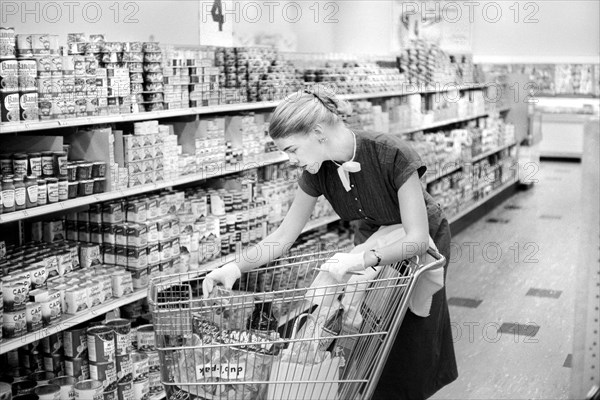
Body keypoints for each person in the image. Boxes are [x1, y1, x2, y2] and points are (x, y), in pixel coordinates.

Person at [203, 86, 458, 399]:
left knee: (410, 331)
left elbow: (417, 239)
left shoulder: (390, 153)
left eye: (292, 149)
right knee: (366, 329)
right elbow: (283, 236)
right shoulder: (317, 171)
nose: (289, 159)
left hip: (419, 239)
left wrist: (361, 260)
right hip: (371, 239)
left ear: (318, 133)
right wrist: (234, 267)